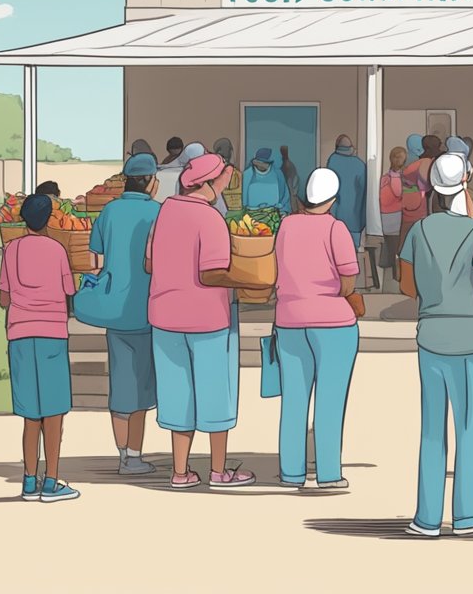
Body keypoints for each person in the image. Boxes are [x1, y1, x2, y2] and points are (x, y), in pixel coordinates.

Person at [401, 154, 473, 537]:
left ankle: (427, 518)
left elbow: (408, 286)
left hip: (432, 337)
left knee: (431, 429)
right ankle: (466, 517)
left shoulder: (419, 231)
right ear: (465, 185)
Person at [148, 153, 254, 489]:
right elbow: (211, 274)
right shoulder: (211, 220)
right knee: (214, 392)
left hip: (164, 316)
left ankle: (181, 472)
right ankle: (219, 471)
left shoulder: (165, 211)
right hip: (207, 319)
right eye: (223, 176)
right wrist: (249, 280)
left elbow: (148, 263)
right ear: (208, 183)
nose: (227, 180)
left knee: (177, 392)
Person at [274, 168, 360, 490]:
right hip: (333, 323)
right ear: (333, 200)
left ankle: (291, 472)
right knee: (330, 399)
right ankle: (328, 473)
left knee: (294, 399)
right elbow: (348, 278)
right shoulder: (336, 229)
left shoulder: (286, 225)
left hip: (290, 319)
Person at [81, 152, 161, 475]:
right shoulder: (158, 212)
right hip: (147, 309)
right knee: (142, 387)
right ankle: (135, 456)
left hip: (114, 310)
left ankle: (122, 455)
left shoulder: (110, 211)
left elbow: (93, 261)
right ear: (152, 182)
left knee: (121, 383)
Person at [0, 193, 81, 502]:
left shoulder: (11, 250)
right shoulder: (57, 250)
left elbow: (3, 299)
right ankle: (52, 482)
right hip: (51, 335)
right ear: (49, 220)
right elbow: (69, 289)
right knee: (54, 414)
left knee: (30, 415)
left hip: (20, 336)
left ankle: (29, 480)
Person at [327, 135, 368, 248]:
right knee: (352, 251)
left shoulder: (332, 161)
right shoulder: (360, 165)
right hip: (355, 218)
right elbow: (365, 193)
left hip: (336, 216)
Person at [379, 146, 407, 281]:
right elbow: (398, 193)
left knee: (389, 245)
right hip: (396, 217)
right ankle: (397, 277)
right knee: (396, 249)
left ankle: (388, 275)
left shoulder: (384, 178)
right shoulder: (399, 178)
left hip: (384, 217)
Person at [243, 147, 290, 214]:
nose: (261, 165)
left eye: (264, 162)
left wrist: (283, 212)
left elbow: (285, 198)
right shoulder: (247, 174)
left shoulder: (277, 174)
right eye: (259, 162)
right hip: (251, 216)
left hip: (274, 216)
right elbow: (242, 200)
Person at [279, 145, 301, 214]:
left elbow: (295, 178)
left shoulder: (287, 164)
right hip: (288, 193)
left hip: (290, 191)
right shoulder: (283, 164)